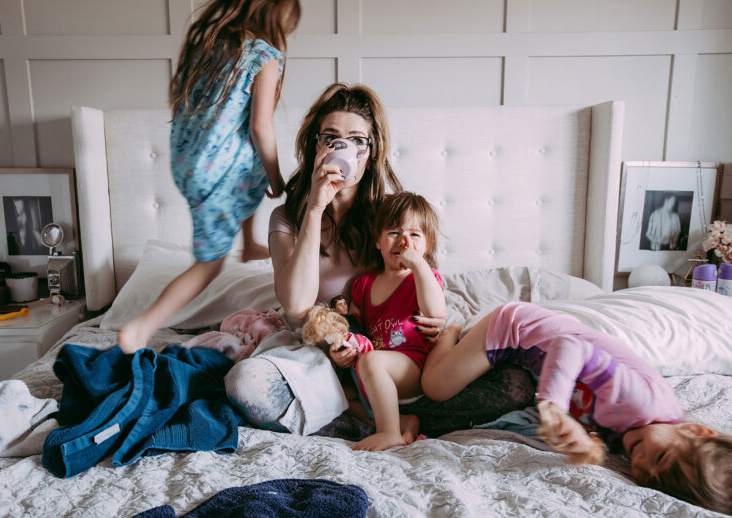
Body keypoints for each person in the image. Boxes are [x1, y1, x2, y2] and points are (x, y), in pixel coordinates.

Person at [224, 82, 536, 438]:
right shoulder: (287, 218)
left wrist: (444, 326)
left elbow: (422, 277)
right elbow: (296, 305)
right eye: (332, 137)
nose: (346, 148)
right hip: (318, 356)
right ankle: (381, 418)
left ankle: (359, 411)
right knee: (245, 384)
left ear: (370, 152)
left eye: (358, 140)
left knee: (516, 385)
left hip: (388, 356)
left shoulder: (386, 218)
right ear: (316, 145)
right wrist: (315, 206)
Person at [421, 301, 732, 514]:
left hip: (530, 366)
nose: (642, 463)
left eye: (649, 478)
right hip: (515, 330)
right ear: (694, 430)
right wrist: (553, 406)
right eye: (660, 456)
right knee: (435, 386)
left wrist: (584, 443)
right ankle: (450, 334)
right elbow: (570, 345)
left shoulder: (645, 430)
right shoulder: (640, 400)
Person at [118, 0, 301, 353]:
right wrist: (278, 179)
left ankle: (247, 243)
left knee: (248, 162)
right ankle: (141, 327)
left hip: (189, 163)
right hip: (216, 172)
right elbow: (261, 127)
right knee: (210, 264)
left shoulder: (213, 48)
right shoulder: (265, 56)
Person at [306, 192, 446, 451]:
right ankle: (403, 420)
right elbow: (356, 329)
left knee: (371, 361)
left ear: (426, 245)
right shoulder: (363, 284)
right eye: (394, 232)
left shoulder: (423, 278)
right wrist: (343, 350)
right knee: (336, 392)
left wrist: (419, 266)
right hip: (373, 369)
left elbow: (435, 310)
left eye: (415, 235)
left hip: (410, 366)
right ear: (377, 241)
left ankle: (389, 432)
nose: (404, 241)